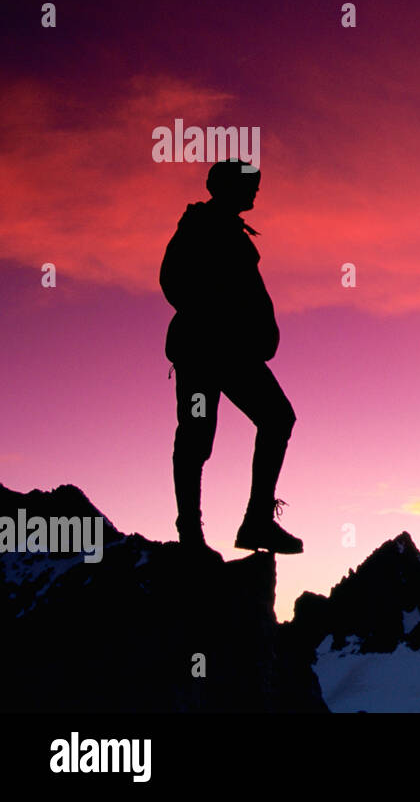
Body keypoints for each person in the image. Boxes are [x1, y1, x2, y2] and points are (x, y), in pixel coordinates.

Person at [160, 159, 303, 559]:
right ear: (228, 187)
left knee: (276, 418)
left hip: (232, 354)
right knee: (196, 436)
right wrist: (218, 317)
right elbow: (172, 281)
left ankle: (256, 520)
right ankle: (190, 531)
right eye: (249, 185)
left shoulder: (229, 230)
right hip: (203, 353)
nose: (256, 191)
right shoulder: (200, 225)